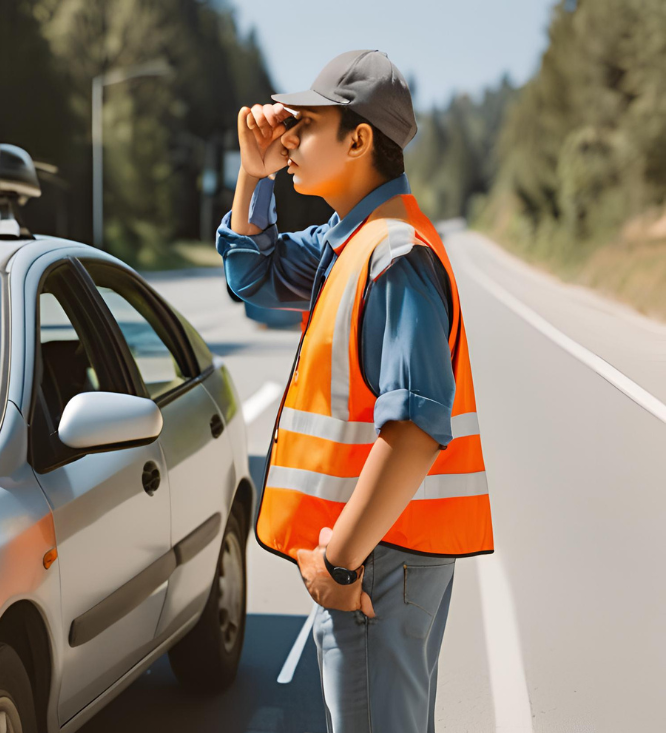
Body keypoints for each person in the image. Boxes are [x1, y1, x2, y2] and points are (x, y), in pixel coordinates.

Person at [215, 50, 494, 732]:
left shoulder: (394, 255)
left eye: (305, 126)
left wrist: (338, 563)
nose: (288, 141)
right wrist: (254, 174)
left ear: (359, 139)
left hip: (375, 562)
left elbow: (414, 429)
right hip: (378, 553)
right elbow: (253, 274)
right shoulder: (353, 241)